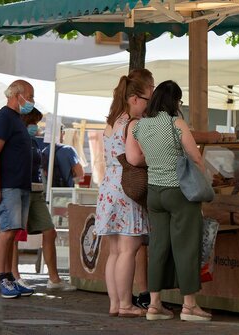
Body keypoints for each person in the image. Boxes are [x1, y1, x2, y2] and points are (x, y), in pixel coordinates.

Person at [131, 80, 211, 322]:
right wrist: (203, 176)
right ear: (175, 101)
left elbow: (139, 156)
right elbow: (195, 155)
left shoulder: (139, 126)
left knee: (158, 247)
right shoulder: (175, 123)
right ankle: (189, 305)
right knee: (186, 246)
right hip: (179, 191)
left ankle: (154, 304)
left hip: (154, 193)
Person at [94, 68, 154, 318]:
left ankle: (114, 303)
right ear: (135, 99)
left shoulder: (113, 120)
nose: (149, 105)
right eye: (149, 99)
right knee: (129, 249)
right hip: (128, 185)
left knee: (115, 251)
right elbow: (135, 157)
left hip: (109, 186)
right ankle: (126, 304)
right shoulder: (133, 123)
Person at [10, 108, 76, 291]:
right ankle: (14, 275)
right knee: (13, 234)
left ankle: (54, 278)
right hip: (19, 190)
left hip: (36, 190)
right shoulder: (15, 138)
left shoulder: (32, 140)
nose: (37, 127)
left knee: (49, 230)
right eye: (34, 123)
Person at [0, 80, 35, 299]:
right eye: (30, 96)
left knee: (13, 231)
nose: (32, 101)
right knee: (7, 231)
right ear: (18, 95)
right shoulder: (5, 116)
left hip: (19, 185)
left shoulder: (16, 118)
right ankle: (1, 278)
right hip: (8, 186)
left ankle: (10, 277)